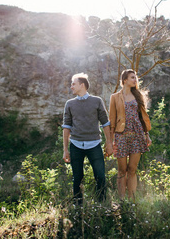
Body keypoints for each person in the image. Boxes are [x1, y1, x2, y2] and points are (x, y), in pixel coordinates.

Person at [62, 73, 113, 204]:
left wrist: (109, 143)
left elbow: (105, 123)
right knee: (77, 178)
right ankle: (78, 207)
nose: (71, 86)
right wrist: (65, 150)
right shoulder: (69, 104)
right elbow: (66, 127)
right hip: (76, 145)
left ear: (82, 85)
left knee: (100, 176)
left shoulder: (97, 101)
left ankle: (101, 205)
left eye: (73, 83)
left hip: (94, 144)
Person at [109, 69, 152, 201]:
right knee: (122, 170)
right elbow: (111, 121)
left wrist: (147, 135)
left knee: (132, 169)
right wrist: (110, 142)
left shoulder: (138, 96)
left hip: (137, 135)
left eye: (135, 78)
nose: (135, 80)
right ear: (125, 80)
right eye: (132, 77)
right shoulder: (115, 97)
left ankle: (132, 200)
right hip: (121, 136)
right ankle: (122, 201)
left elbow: (142, 118)